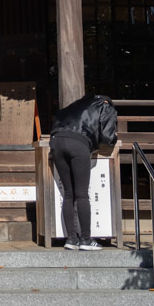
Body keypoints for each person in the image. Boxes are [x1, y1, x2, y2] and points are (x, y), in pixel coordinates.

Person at [49, 94, 118, 250]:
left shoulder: (73, 106)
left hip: (56, 142)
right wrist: (114, 137)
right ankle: (86, 240)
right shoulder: (104, 105)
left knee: (68, 193)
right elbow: (107, 136)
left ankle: (71, 239)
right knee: (81, 194)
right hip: (78, 144)